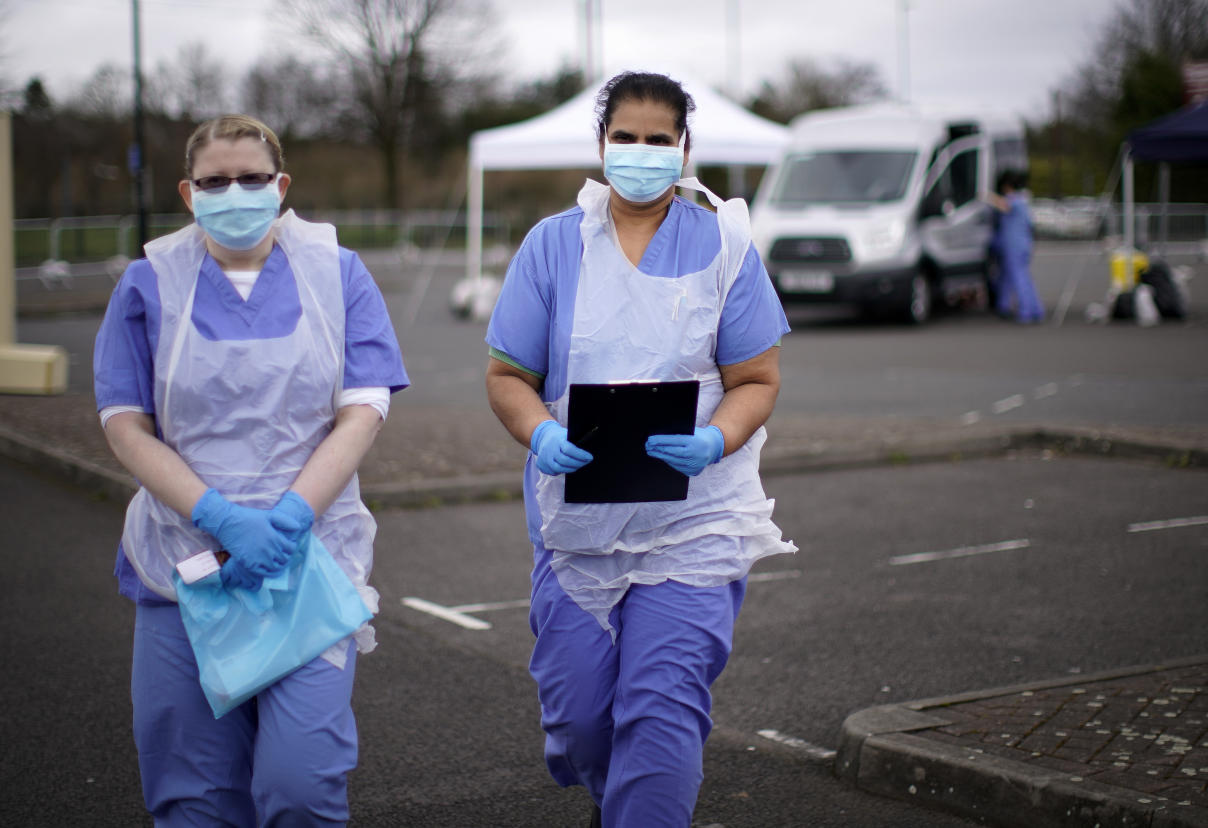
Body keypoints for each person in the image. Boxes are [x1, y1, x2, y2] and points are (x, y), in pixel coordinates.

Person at [484, 71, 797, 828]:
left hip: (694, 520)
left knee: (660, 717)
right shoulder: (553, 245)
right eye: (626, 136)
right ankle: (611, 801)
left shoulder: (723, 244)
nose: (642, 151)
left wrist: (715, 439)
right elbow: (506, 377)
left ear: (685, 148)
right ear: (601, 143)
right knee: (584, 722)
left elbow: (756, 378)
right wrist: (539, 431)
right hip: (579, 529)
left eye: (660, 139)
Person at [93, 114, 409, 825]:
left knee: (302, 785)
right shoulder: (147, 283)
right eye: (215, 181)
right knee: (192, 794)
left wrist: (291, 516)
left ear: (281, 185)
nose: (234, 192)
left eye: (251, 178)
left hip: (309, 560)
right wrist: (218, 515)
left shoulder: (336, 272)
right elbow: (125, 424)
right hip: (187, 567)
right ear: (187, 191)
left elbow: (362, 410)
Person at [986, 169, 1044, 323]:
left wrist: (986, 196)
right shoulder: (1024, 200)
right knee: (1014, 277)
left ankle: (1026, 312)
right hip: (1022, 245)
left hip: (1014, 247)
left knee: (1019, 278)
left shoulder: (1015, 201)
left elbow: (1003, 205)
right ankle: (1012, 307)